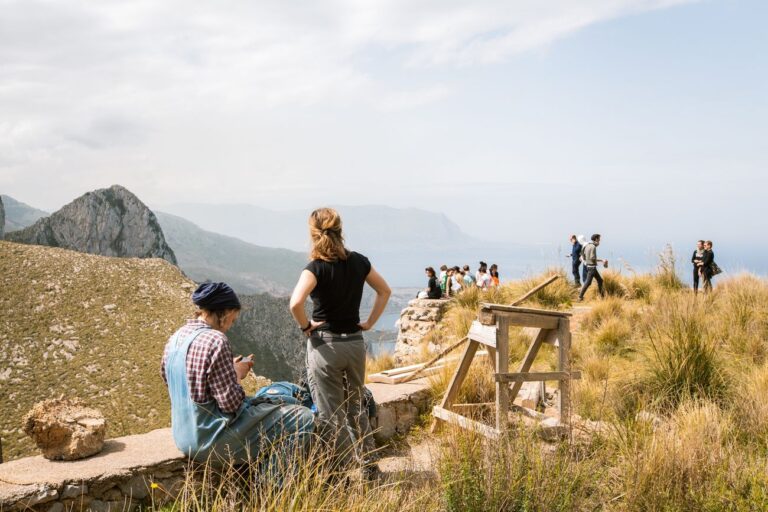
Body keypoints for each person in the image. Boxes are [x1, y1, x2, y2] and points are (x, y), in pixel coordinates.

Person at [161, 282, 314, 467]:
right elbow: (231, 404)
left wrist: (225, 370)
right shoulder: (216, 340)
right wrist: (237, 374)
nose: (230, 326)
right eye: (232, 320)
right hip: (211, 440)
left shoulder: (175, 338)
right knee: (302, 417)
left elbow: (171, 380)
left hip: (183, 436)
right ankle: (273, 488)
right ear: (224, 313)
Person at [289, 207, 391, 475]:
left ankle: (344, 471)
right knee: (356, 406)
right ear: (340, 230)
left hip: (326, 346)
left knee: (330, 412)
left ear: (313, 234)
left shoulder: (315, 268)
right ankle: (369, 466)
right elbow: (385, 290)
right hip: (355, 344)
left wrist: (305, 326)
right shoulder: (359, 262)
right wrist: (369, 323)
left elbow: (296, 303)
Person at [578, 234, 608, 301]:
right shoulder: (593, 247)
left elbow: (582, 257)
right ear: (596, 239)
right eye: (599, 239)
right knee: (588, 283)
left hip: (589, 266)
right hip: (592, 268)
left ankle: (602, 296)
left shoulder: (586, 246)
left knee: (600, 280)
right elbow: (592, 258)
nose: (600, 240)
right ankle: (580, 297)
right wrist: (602, 260)